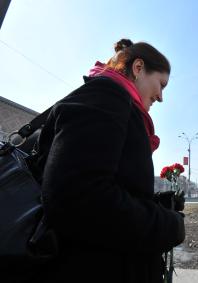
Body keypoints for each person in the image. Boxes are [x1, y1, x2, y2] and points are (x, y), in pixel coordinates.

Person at [32, 39, 185, 283]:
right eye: (161, 84)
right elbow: (77, 198)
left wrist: (156, 204)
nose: (161, 96)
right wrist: (168, 225)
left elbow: (108, 184)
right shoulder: (106, 97)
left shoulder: (116, 103)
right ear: (138, 68)